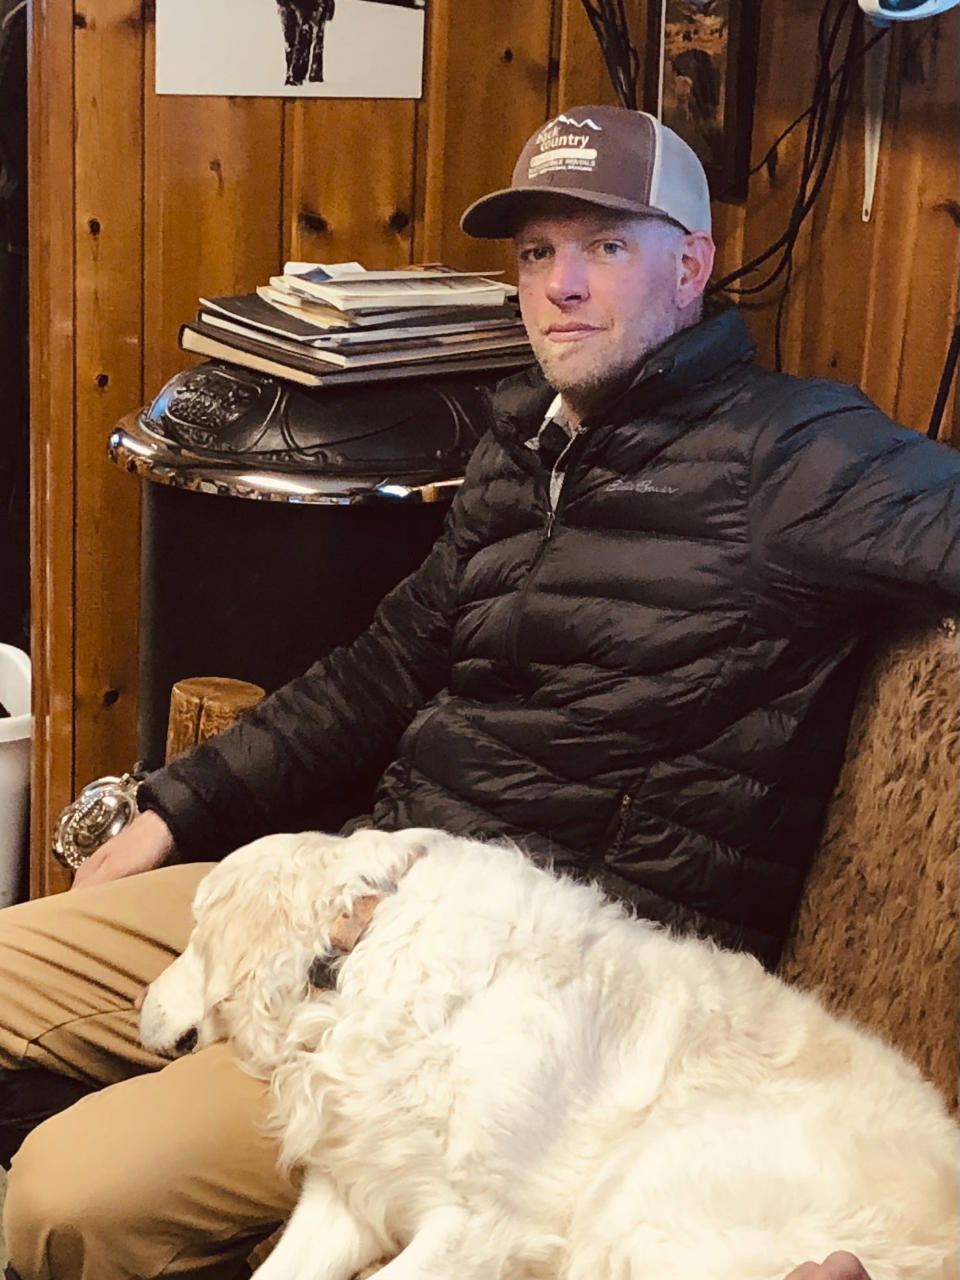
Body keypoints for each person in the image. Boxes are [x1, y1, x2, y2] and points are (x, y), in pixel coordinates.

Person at [0, 105, 956, 1280]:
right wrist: (174, 806)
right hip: (367, 893)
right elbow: (377, 671)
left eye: (606, 246)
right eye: (537, 253)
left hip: (525, 1015)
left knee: (59, 1195)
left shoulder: (793, 453)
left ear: (693, 266)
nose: (560, 285)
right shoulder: (526, 447)